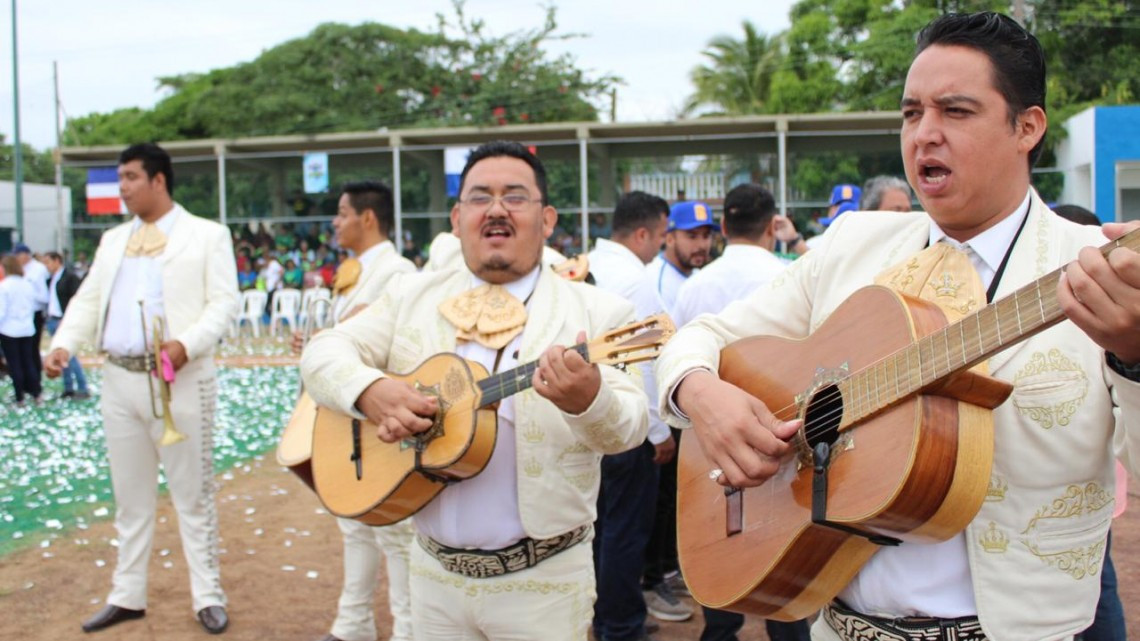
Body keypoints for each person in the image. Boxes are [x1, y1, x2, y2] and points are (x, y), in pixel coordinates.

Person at [657, 12, 1140, 641]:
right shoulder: (853, 244)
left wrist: (1132, 355)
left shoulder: (1100, 273)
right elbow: (699, 337)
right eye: (912, 113)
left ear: (1028, 127)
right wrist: (701, 393)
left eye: (955, 111)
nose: (924, 135)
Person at [301, 140, 649, 640]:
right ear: (457, 216)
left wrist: (590, 401)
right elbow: (323, 352)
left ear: (547, 219)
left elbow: (630, 428)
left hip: (544, 586)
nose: (497, 209)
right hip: (432, 578)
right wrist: (372, 391)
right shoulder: (410, 296)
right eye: (481, 197)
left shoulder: (600, 314)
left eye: (515, 196)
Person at [45, 142, 239, 635]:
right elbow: (89, 302)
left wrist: (186, 344)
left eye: (131, 177)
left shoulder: (207, 235)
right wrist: (64, 343)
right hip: (119, 381)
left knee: (192, 497)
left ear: (159, 180)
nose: (123, 187)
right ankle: (127, 595)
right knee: (130, 499)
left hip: (182, 380)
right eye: (120, 177)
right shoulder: (113, 240)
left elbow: (223, 305)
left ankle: (208, 595)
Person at [669, 184, 811, 641]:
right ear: (773, 226)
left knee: (717, 543)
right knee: (785, 551)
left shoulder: (695, 285)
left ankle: (720, 625)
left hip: (705, 435)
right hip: (785, 429)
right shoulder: (792, 274)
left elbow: (679, 348)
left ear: (724, 228)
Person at [293, 180, 417, 641]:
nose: (336, 222)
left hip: (379, 419)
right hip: (346, 414)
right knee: (353, 524)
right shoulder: (357, 270)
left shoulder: (397, 271)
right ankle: (353, 623)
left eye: (342, 213)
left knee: (395, 533)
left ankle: (407, 629)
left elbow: (392, 345)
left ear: (368, 217)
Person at [587, 191, 677, 640]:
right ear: (642, 233)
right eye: (660, 237)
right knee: (626, 530)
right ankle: (620, 624)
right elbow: (647, 359)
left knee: (602, 527)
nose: (659, 247)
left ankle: (606, 615)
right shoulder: (636, 281)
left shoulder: (587, 265)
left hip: (591, 416)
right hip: (628, 424)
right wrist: (658, 432)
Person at [645, 201, 716, 317]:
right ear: (670, 239)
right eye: (692, 236)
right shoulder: (655, 281)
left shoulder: (699, 275)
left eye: (706, 236)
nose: (702, 245)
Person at [43, 251, 90, 400]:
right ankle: (68, 387)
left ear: (57, 261)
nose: (47, 266)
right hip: (52, 319)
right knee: (59, 356)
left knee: (69, 355)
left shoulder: (69, 277)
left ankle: (82, 387)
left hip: (63, 319)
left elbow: (76, 299)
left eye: (48, 262)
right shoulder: (51, 279)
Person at [0, 254, 42, 405]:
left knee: (15, 364)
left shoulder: (4, 286)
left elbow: (1, 311)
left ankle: (20, 397)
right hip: (27, 328)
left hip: (9, 330)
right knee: (29, 362)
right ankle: (36, 393)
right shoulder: (27, 284)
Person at [12, 243, 49, 375]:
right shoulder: (20, 268)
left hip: (35, 312)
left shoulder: (38, 269)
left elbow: (44, 296)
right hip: (22, 313)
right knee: (22, 350)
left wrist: (28, 294)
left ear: (26, 255)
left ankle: (36, 379)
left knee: (33, 348)